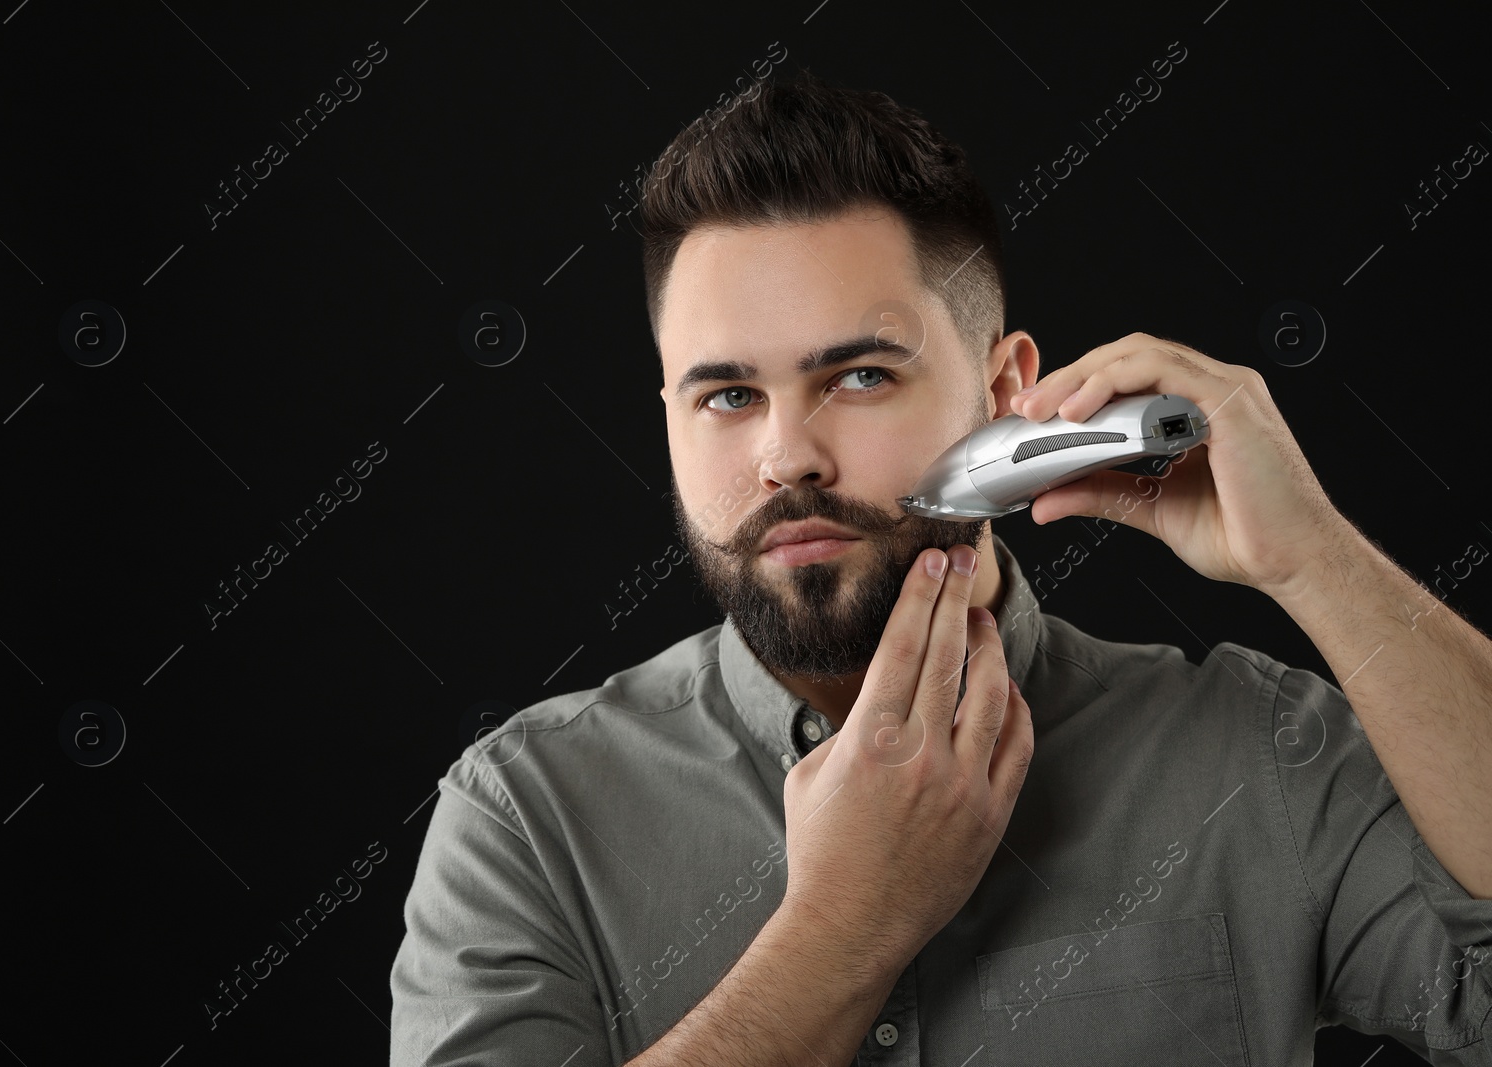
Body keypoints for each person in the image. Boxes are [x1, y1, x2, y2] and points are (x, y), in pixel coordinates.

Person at [389, 67, 1492, 1066]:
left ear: (1006, 387)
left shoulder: (1256, 752)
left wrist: (1317, 562)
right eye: (727, 395)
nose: (787, 457)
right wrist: (841, 930)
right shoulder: (525, 819)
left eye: (861, 376)